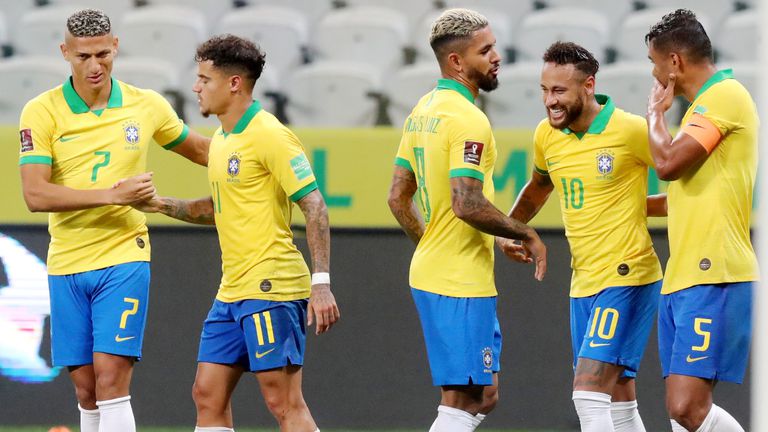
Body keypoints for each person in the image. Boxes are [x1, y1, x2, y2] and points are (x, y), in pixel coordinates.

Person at [134, 34, 339, 432]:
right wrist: (158, 204)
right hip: (232, 291)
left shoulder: (270, 135)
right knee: (207, 394)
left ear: (233, 84)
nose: (195, 87)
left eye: (204, 79)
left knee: (283, 402)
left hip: (270, 286)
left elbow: (314, 205)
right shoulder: (225, 140)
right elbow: (217, 208)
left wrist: (322, 283)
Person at [17, 9, 210, 432]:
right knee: (86, 388)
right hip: (67, 260)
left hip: (123, 255)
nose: (95, 65)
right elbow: (35, 194)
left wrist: (257, 154)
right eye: (83, 56)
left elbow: (201, 150)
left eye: (103, 54)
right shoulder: (41, 111)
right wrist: (113, 195)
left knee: (110, 377)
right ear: (65, 52)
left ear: (116, 47)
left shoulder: (146, 105)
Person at [387, 8, 547, 432]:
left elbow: (398, 196)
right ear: (457, 62)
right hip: (457, 281)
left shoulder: (423, 109)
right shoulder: (468, 120)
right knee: (463, 398)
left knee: (484, 394)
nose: (496, 57)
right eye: (486, 50)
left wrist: (431, 243)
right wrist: (524, 231)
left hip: (443, 271)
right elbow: (466, 203)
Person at [505, 41, 663, 432]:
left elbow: (683, 178)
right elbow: (540, 185)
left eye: (559, 91)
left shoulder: (629, 130)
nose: (549, 101)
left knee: (588, 395)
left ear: (589, 85)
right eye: (544, 90)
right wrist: (510, 229)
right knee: (619, 393)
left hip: (627, 275)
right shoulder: (546, 134)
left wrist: (644, 206)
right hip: (584, 281)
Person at [645, 9, 757, 432]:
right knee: (682, 417)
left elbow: (668, 164)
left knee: (686, 407)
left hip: (715, 271)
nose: (654, 75)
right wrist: (622, 206)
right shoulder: (701, 110)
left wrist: (656, 113)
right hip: (683, 274)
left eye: (655, 63)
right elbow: (679, 197)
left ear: (674, 63)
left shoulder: (724, 95)